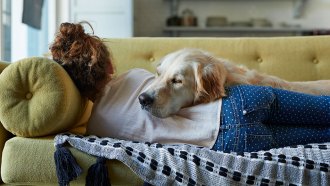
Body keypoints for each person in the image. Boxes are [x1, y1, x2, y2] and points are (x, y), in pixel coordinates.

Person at [50, 22, 330, 153]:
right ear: (109, 66)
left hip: (231, 143)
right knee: (324, 110)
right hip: (244, 100)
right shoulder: (134, 76)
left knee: (322, 138)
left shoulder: (96, 129)